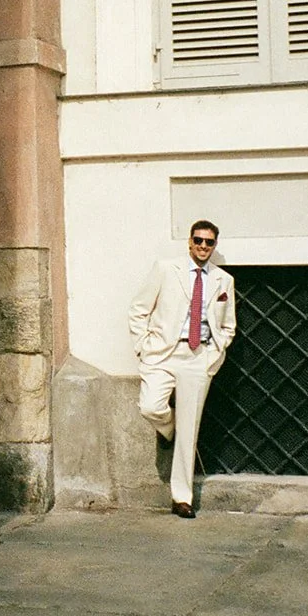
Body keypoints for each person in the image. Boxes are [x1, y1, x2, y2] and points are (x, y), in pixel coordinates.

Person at [127, 221, 236, 519]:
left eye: (209, 242)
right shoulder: (165, 268)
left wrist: (215, 352)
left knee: (190, 431)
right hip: (163, 353)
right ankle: (167, 427)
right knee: (150, 406)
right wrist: (144, 346)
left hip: (199, 356)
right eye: (198, 240)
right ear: (189, 241)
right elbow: (139, 309)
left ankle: (181, 498)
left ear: (214, 246)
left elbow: (228, 325)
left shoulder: (223, 281)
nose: (203, 246)